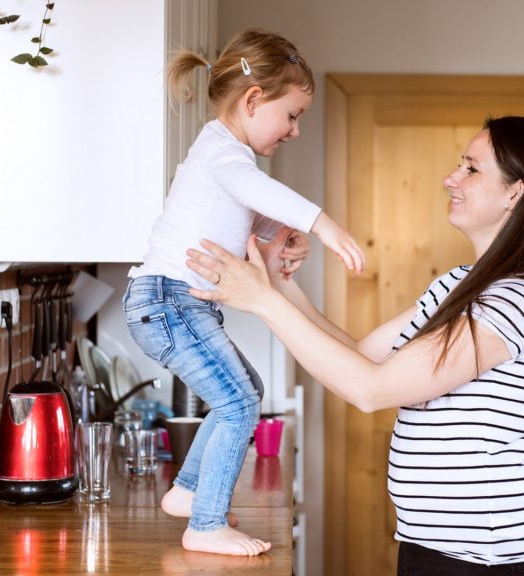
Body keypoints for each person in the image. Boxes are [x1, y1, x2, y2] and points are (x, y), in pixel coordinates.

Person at [186, 116, 524, 575]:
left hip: (485, 558)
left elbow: (371, 389)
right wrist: (279, 286)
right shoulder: (460, 285)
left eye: (471, 169)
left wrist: (265, 302)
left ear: (515, 192)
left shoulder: (518, 298)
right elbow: (362, 357)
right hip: (431, 547)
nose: (451, 178)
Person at [124, 29, 364, 557]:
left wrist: (281, 241)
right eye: (293, 115)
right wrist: (321, 224)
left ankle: (188, 492)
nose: (296, 131)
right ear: (254, 101)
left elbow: (244, 218)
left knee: (244, 391)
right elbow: (255, 191)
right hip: (167, 301)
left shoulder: (224, 158)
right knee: (237, 403)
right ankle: (206, 525)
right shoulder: (223, 153)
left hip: (171, 303)